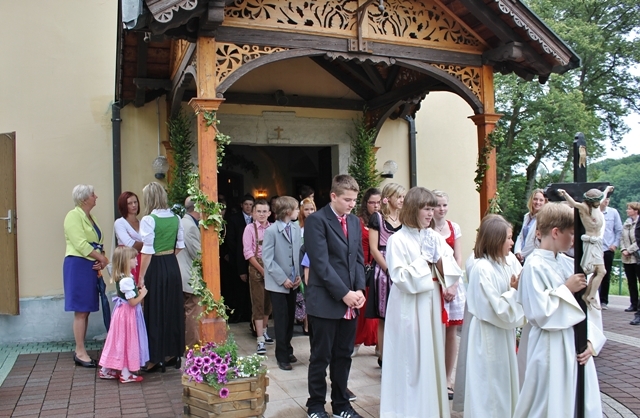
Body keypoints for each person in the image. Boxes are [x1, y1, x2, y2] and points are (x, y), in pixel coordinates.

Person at [513, 203, 605, 418]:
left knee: (578, 400)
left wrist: (591, 340)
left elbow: (590, 302)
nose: (574, 239)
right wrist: (566, 289)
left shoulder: (568, 263)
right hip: (549, 345)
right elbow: (539, 312)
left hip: (575, 344)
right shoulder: (534, 266)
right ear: (555, 232)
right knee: (548, 402)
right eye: (571, 233)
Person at [379, 187, 462, 418]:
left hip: (431, 302)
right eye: (426, 209)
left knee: (430, 354)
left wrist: (438, 260)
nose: (431, 213)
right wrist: (424, 261)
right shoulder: (397, 240)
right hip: (408, 305)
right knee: (411, 356)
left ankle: (429, 409)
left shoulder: (433, 237)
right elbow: (399, 277)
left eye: (432, 208)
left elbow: (450, 269)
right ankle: (407, 411)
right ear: (413, 209)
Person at [304, 174, 366, 418]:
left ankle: (341, 405)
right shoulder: (316, 221)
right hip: (325, 301)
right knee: (321, 357)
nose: (352, 204)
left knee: (343, 355)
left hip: (350, 300)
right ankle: (316, 406)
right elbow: (320, 264)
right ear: (333, 196)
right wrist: (344, 293)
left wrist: (359, 290)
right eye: (347, 200)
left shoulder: (354, 222)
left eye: (354, 200)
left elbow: (359, 259)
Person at [457, 215, 525, 417]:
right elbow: (497, 308)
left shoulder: (508, 261)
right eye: (509, 238)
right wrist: (514, 291)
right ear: (496, 240)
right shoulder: (482, 268)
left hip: (503, 334)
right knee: (489, 385)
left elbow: (523, 279)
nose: (512, 242)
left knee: (503, 382)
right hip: (488, 334)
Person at [138, 182, 185, 373]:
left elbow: (147, 251)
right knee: (172, 308)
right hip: (172, 265)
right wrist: (168, 257)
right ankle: (173, 353)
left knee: (155, 310)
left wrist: (141, 277)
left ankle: (155, 358)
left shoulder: (149, 220)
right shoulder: (176, 218)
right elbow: (180, 246)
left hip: (156, 266)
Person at [63, 184, 109, 368]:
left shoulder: (92, 217)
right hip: (78, 265)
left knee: (86, 309)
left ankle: (81, 350)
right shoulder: (73, 216)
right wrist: (101, 258)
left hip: (89, 265)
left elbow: (97, 242)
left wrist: (100, 258)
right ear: (83, 199)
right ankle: (80, 351)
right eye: (92, 194)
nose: (96, 197)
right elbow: (80, 244)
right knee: (81, 309)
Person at [366, 182, 405, 366]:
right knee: (384, 316)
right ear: (388, 198)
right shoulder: (378, 218)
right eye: (399, 197)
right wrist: (388, 269)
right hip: (383, 269)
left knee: (400, 314)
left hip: (402, 266)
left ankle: (398, 354)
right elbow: (373, 248)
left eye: (403, 197)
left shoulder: (405, 217)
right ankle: (383, 356)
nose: (402, 200)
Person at [558, 186, 615, 309]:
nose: (599, 202)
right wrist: (565, 194)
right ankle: (590, 296)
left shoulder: (596, 206)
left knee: (599, 271)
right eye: (596, 200)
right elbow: (574, 203)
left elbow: (603, 197)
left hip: (597, 242)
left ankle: (589, 295)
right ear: (591, 201)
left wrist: (607, 190)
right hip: (590, 242)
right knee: (599, 271)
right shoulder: (584, 208)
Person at [98, 246, 149, 383]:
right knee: (127, 341)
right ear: (125, 261)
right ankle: (125, 374)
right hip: (127, 315)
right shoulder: (126, 280)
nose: (136, 261)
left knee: (119, 340)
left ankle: (106, 370)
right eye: (133, 258)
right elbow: (132, 302)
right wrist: (142, 294)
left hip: (122, 313)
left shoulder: (123, 277)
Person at [263, 196, 302, 371]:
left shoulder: (295, 228)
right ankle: (281, 355)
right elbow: (268, 259)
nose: (298, 211)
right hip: (278, 284)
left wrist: (298, 274)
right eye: (296, 209)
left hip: (293, 281)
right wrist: (282, 279)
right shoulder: (271, 231)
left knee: (290, 318)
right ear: (287, 211)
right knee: (280, 319)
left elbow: (298, 253)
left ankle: (288, 347)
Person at [432, 190, 464, 400]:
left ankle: (447, 378)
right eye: (437, 205)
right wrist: (441, 284)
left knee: (451, 332)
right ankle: (433, 377)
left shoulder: (454, 227)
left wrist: (453, 284)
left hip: (453, 282)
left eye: (444, 205)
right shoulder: (426, 229)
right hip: (435, 283)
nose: (441, 209)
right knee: (435, 331)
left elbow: (458, 257)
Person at [242, 199, 274, 354]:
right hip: (257, 267)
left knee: (269, 303)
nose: (261, 214)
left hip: (272, 267)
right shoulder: (249, 228)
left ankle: (265, 330)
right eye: (258, 211)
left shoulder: (273, 228)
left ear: (269, 213)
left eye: (264, 211)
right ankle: (260, 338)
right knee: (258, 303)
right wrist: (262, 270)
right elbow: (248, 253)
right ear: (254, 213)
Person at [352, 188, 380, 357]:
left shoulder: (384, 220)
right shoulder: (358, 221)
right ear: (365, 203)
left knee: (377, 306)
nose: (375, 206)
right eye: (372, 202)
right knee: (361, 307)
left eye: (378, 202)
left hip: (378, 268)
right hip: (361, 268)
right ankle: (355, 342)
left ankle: (379, 343)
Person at [176, 197, 202, 347]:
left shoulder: (182, 222)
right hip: (189, 275)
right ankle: (192, 347)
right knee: (193, 312)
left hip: (181, 273)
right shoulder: (190, 226)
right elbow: (199, 255)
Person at [226, 194, 254, 324]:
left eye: (251, 205)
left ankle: (250, 314)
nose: (248, 207)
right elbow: (231, 240)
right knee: (238, 289)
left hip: (254, 258)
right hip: (238, 257)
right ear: (242, 205)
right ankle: (238, 314)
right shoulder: (234, 219)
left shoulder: (256, 218)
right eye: (246, 204)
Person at [297, 197, 317, 334]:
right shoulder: (297, 227)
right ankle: (304, 321)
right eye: (307, 209)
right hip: (299, 260)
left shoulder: (318, 224)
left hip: (312, 261)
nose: (309, 212)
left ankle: (309, 323)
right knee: (302, 293)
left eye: (312, 209)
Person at [114, 191, 143, 284]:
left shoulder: (143, 222)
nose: (134, 205)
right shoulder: (120, 223)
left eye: (135, 202)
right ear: (124, 205)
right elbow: (130, 244)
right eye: (130, 203)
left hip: (142, 260)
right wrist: (148, 243)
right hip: (127, 260)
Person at [599, 194, 622, 310]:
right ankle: (593, 298)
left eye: (608, 199)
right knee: (593, 274)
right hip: (596, 248)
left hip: (608, 248)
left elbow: (619, 230)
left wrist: (615, 244)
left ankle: (604, 300)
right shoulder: (593, 211)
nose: (606, 201)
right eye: (605, 198)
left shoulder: (613, 212)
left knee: (606, 275)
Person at [514, 189, 545, 263]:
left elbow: (534, 242)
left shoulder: (543, 219)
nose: (537, 202)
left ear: (545, 202)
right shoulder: (527, 216)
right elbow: (521, 236)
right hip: (521, 256)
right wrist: (517, 251)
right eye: (535, 199)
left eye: (541, 200)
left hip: (533, 258)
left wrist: (522, 254)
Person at [622, 203, 640, 323]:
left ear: (636, 210)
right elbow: (622, 238)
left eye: (629, 209)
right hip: (627, 257)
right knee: (631, 281)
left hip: (636, 256)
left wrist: (630, 250)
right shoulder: (626, 223)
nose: (627, 210)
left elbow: (638, 240)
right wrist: (624, 249)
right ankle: (634, 304)